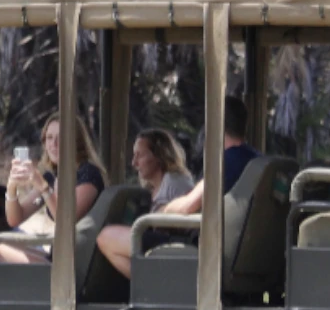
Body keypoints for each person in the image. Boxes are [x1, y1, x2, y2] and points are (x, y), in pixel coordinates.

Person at [95, 97, 260, 279]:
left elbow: (188, 205)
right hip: (239, 251)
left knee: (106, 237)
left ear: (215, 124)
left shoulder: (226, 162)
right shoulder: (255, 160)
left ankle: (155, 289)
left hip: (205, 247)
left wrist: (158, 213)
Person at [0, 113, 106, 301]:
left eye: (61, 138)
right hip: (56, 259)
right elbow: (15, 218)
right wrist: (12, 186)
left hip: (73, 269)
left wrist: (42, 186)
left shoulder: (88, 174)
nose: (54, 144)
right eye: (49, 138)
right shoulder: (51, 177)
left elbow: (64, 220)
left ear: (76, 141)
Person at [134, 128, 195, 211]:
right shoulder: (146, 192)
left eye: (140, 155)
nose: (134, 163)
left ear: (159, 154)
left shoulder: (175, 182)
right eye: (134, 155)